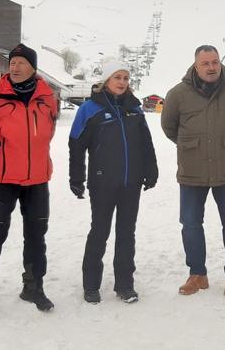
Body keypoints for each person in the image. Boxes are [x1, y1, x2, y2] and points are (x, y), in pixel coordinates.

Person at [0, 44, 58, 316]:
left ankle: (33, 287)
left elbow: (48, 133)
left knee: (36, 236)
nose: (15, 67)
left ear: (33, 67)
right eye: (13, 62)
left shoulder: (47, 98)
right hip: (1, 181)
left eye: (21, 63)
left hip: (37, 180)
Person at [161, 45, 225, 298]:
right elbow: (170, 128)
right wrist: (193, 146)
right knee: (190, 224)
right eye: (206, 63)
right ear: (195, 65)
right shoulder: (178, 94)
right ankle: (198, 274)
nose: (211, 67)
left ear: (220, 63)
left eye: (215, 62)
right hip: (192, 171)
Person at [69, 59, 158, 304]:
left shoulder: (135, 108)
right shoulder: (90, 108)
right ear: (106, 80)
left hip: (131, 182)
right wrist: (76, 177)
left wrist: (151, 170)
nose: (122, 82)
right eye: (117, 77)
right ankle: (91, 285)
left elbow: (146, 143)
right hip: (102, 182)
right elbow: (76, 145)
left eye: (126, 78)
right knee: (99, 231)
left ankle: (125, 285)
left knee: (127, 233)